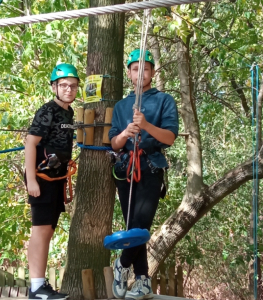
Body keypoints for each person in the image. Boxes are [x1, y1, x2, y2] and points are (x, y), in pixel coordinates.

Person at [109, 49, 179, 300]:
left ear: (152, 72)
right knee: (132, 225)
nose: (140, 74)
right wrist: (125, 134)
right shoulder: (121, 106)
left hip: (150, 166)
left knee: (141, 225)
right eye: (136, 69)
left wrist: (147, 125)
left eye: (145, 69)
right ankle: (142, 281)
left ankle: (122, 264)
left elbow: (170, 138)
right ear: (129, 73)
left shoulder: (164, 100)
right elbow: (114, 143)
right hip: (126, 167)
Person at [24, 63, 79, 300]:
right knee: (40, 230)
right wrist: (31, 180)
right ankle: (36, 287)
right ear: (54, 87)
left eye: (73, 85)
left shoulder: (69, 112)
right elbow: (30, 143)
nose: (69, 89)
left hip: (57, 179)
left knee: (48, 231)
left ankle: (39, 285)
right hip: (42, 178)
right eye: (64, 85)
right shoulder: (48, 110)